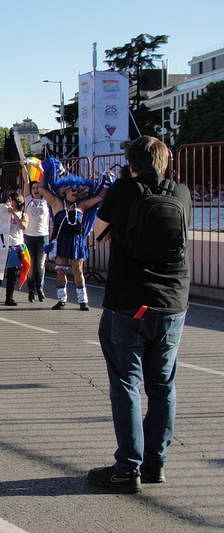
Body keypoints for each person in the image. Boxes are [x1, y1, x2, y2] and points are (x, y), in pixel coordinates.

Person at [87, 136, 191, 494]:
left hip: (129, 302)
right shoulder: (181, 193)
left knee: (127, 384)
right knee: (163, 386)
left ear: (131, 164)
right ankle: (155, 464)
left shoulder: (122, 190)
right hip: (173, 303)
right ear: (164, 162)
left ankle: (127, 468)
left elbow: (96, 235)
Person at [39, 158, 106, 311]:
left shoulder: (82, 205)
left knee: (78, 270)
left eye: (78, 190)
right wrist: (45, 169)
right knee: (60, 270)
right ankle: (62, 300)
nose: (75, 192)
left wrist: (107, 181)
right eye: (72, 190)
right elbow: (42, 189)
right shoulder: (56, 202)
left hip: (77, 241)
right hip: (61, 240)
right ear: (65, 190)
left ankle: (83, 301)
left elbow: (100, 197)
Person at [0, 192, 28, 306]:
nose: (10, 201)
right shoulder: (4, 213)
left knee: (12, 274)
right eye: (9, 199)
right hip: (2, 245)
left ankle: (9, 298)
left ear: (17, 201)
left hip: (15, 246)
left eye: (12, 200)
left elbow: (23, 226)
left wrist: (14, 214)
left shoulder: (23, 214)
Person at [23, 175, 50, 302]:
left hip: (42, 238)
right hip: (29, 237)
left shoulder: (47, 201)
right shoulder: (27, 199)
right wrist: (24, 166)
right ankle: (31, 290)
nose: (35, 189)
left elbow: (47, 183)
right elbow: (26, 180)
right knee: (31, 265)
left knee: (40, 264)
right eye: (33, 187)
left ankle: (40, 288)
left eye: (38, 187)